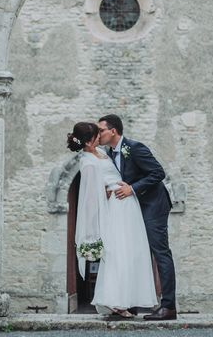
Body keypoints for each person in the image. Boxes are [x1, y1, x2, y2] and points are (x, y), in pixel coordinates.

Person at [68, 122, 158, 317]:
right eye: (97, 134)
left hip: (127, 204)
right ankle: (115, 301)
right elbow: (90, 198)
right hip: (116, 207)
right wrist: (93, 228)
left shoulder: (100, 153)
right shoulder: (88, 162)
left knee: (132, 251)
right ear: (90, 140)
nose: (101, 136)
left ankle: (126, 298)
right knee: (118, 253)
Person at [97, 114, 177, 321]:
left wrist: (132, 189)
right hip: (132, 209)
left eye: (101, 130)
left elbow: (158, 173)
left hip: (153, 205)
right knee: (133, 252)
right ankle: (129, 306)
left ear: (113, 131)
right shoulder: (107, 152)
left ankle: (168, 306)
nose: (99, 134)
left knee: (160, 252)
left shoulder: (134, 148)